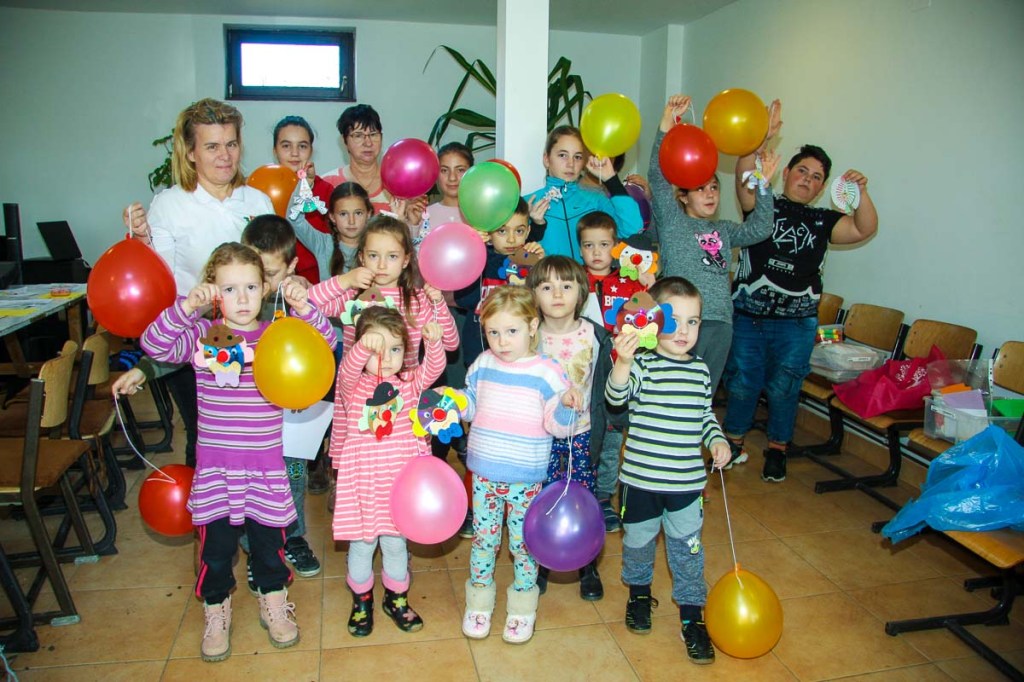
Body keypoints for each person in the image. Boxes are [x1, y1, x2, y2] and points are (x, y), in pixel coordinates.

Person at [139, 242, 336, 662]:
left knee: (269, 545)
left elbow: (327, 341)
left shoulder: (276, 334)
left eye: (250, 286)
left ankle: (273, 599)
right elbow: (154, 345)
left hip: (265, 468)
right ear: (214, 291)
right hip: (217, 470)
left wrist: (305, 309)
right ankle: (216, 609)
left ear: (266, 288)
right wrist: (186, 308)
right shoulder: (201, 337)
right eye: (229, 289)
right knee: (216, 551)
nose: (242, 298)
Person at [724, 101, 879, 483]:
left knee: (785, 388)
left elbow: (864, 228)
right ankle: (733, 443)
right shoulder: (763, 201)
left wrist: (861, 192)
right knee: (742, 383)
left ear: (823, 188)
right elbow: (744, 176)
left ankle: (778, 450)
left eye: (816, 177)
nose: (807, 180)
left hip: (796, 325)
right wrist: (761, 138)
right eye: (802, 171)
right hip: (749, 318)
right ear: (786, 173)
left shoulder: (826, 221)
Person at [123, 98, 274, 470]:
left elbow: (271, 271)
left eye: (231, 144)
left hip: (252, 337)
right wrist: (141, 241)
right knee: (204, 433)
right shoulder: (169, 205)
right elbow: (158, 280)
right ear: (190, 153)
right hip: (195, 340)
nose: (225, 155)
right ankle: (207, 505)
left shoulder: (258, 202)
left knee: (256, 431)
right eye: (212, 146)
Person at [605, 276, 731, 665]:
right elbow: (615, 399)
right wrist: (623, 362)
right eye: (674, 320)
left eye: (693, 322)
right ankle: (639, 596)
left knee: (688, 551)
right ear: (654, 320)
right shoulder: (643, 365)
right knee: (638, 544)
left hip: (686, 486)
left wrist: (717, 440)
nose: (684, 331)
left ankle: (692, 617)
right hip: (640, 481)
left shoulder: (701, 371)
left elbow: (705, 416)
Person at [457, 286, 580, 645]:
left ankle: (523, 609)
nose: (502, 341)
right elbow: (470, 406)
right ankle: (479, 603)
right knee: (484, 540)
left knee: (525, 545)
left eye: (511, 331)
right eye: (493, 332)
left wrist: (567, 406)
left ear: (532, 326)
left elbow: (556, 426)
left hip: (526, 478)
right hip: (483, 474)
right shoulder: (482, 364)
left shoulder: (548, 372)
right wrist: (453, 403)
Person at [647, 95, 779, 396]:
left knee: (702, 393)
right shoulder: (672, 221)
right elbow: (657, 175)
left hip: (719, 322)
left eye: (714, 188)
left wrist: (763, 185)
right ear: (683, 196)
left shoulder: (724, 230)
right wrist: (666, 124)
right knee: (672, 390)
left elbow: (762, 228)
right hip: (679, 321)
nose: (710, 195)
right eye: (700, 188)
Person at [331, 306, 446, 636]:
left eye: (395, 349)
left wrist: (433, 342)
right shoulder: (353, 387)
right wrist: (362, 347)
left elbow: (434, 367)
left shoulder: (408, 384)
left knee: (396, 545)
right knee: (363, 545)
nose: (387, 358)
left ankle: (396, 599)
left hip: (400, 486)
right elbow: (346, 371)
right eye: (377, 350)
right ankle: (362, 601)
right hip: (364, 484)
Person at [525, 256, 614, 601]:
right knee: (541, 494)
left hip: (582, 430)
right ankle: (540, 559)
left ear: (581, 292)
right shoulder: (529, 335)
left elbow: (607, 382)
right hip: (540, 434)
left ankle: (587, 563)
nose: (558, 294)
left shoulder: (594, 335)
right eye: (547, 287)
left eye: (566, 286)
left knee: (583, 495)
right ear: (534, 294)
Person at [576, 211, 654, 533]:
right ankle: (578, 491)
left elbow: (650, 324)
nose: (596, 252)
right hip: (583, 375)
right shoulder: (573, 280)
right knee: (583, 436)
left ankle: (604, 497)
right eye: (588, 245)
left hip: (618, 374)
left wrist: (650, 286)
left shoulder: (632, 281)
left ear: (616, 247)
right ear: (580, 248)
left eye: (604, 244)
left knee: (611, 438)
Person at [308, 214, 460, 368]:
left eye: (392, 256)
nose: (382, 265)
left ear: (405, 260)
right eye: (373, 255)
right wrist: (344, 280)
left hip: (405, 383)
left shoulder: (418, 300)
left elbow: (451, 343)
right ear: (362, 257)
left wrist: (438, 302)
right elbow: (306, 303)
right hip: (354, 382)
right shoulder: (352, 295)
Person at [524, 125, 643, 262]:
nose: (571, 164)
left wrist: (611, 179)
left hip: (588, 276)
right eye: (562, 155)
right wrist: (535, 227)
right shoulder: (528, 203)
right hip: (547, 276)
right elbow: (512, 252)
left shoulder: (596, 201)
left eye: (578, 157)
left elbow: (632, 228)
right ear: (546, 159)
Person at [453, 198, 546, 368]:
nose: (511, 239)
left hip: (521, 350)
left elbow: (542, 305)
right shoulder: (480, 258)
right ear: (488, 233)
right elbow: (463, 300)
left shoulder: (529, 260)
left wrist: (540, 267)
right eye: (502, 231)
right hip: (479, 348)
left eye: (519, 231)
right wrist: (473, 253)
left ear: (528, 232)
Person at [271, 115, 334, 284]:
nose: (295, 153)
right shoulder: (261, 190)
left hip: (318, 284)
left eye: (302, 146)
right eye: (286, 146)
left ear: (311, 150)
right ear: (275, 150)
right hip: (273, 284)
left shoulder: (326, 191)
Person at [288, 181, 375, 283]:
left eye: (358, 213)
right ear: (332, 217)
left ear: (368, 214)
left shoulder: (376, 244)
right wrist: (304, 183)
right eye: (343, 214)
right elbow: (293, 219)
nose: (351, 221)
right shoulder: (323, 244)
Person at [428, 141, 473, 227]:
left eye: (460, 170)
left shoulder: (482, 214)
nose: (452, 178)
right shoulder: (424, 215)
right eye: (444, 170)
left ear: (472, 172)